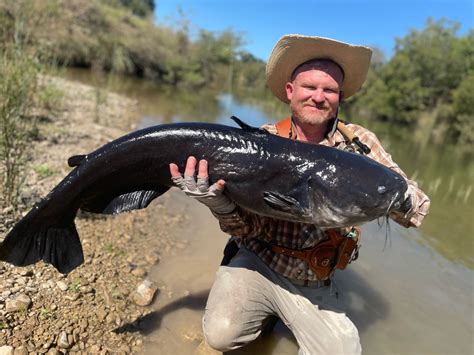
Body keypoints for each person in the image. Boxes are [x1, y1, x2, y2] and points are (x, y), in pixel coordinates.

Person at [169, 35, 430, 354]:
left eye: (330, 90)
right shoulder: (261, 142)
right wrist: (217, 203)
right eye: (309, 87)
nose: (319, 97)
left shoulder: (359, 143)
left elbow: (419, 208)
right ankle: (260, 311)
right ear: (291, 91)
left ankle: (279, 314)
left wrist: (397, 197)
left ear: (340, 97)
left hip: (313, 278)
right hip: (259, 260)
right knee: (221, 335)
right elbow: (244, 229)